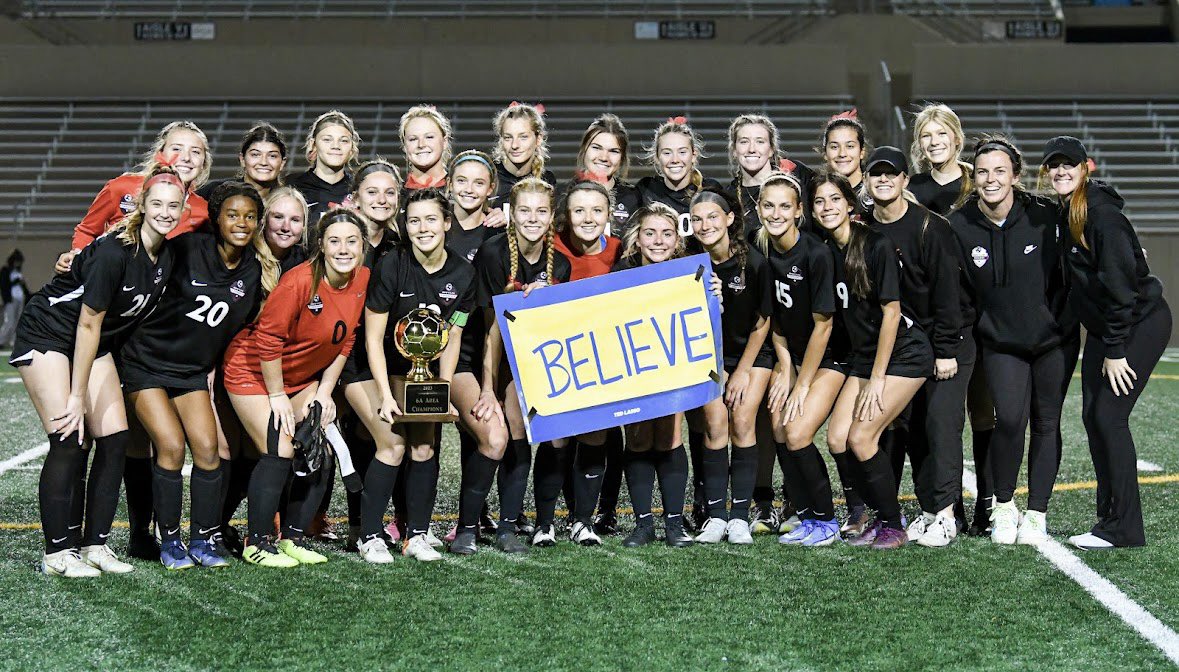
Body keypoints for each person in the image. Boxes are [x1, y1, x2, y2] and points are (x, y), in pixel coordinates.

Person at [12, 167, 181, 577]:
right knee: (69, 437)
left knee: (115, 438)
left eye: (173, 206)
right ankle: (57, 554)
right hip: (51, 332)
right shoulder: (113, 252)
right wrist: (76, 396)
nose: (164, 212)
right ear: (140, 205)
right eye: (156, 203)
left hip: (93, 341)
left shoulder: (166, 254)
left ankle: (95, 546)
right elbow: (87, 322)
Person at [119, 181, 270, 569]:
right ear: (216, 218)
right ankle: (169, 540)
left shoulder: (255, 271)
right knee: (169, 445)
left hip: (190, 372)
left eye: (250, 217)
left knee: (207, 451)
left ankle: (203, 539)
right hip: (146, 361)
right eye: (232, 215)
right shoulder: (186, 249)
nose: (241, 223)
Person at [1036, 137, 1171, 549]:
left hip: (1135, 324)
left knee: (1109, 417)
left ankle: (1125, 528)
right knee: (1095, 417)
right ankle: (1109, 519)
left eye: (1068, 165)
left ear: (1084, 168)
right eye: (1053, 166)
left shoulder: (1101, 215)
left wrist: (1114, 350)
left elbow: (1123, 292)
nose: (1060, 172)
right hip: (1106, 328)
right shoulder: (1067, 211)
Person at [947, 135, 1079, 546]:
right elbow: (957, 290)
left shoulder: (1046, 214)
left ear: (1015, 175)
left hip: (1054, 340)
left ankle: (1037, 511)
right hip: (1001, 344)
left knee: (1046, 423)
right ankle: (1004, 507)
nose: (991, 180)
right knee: (1010, 421)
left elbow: (1090, 225)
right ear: (974, 176)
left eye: (1000, 171)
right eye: (983, 171)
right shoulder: (959, 223)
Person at [221, 208, 369, 568]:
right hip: (253, 371)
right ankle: (256, 543)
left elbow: (344, 339)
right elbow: (268, 341)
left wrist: (323, 391)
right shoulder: (299, 281)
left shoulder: (361, 277)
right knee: (281, 450)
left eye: (352, 241)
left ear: (363, 245)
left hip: (302, 378)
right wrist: (276, 398)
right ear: (321, 245)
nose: (344, 249)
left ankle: (294, 537)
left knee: (320, 444)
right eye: (335, 241)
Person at [348, 188, 476, 563]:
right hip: (369, 369)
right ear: (405, 225)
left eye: (431, 219)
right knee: (393, 444)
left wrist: (446, 390)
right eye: (414, 220)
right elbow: (372, 339)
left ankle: (416, 534)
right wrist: (386, 396)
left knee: (424, 447)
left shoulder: (464, 273)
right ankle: (369, 535)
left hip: (419, 373)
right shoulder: (392, 264)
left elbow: (453, 335)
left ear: (447, 223)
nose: (423, 228)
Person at [812, 173, 932, 550]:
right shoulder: (825, 251)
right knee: (836, 438)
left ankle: (893, 524)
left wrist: (878, 378)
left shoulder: (875, 244)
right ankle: (865, 514)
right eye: (819, 201)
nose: (827, 207)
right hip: (865, 358)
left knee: (862, 437)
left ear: (850, 204)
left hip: (904, 354)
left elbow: (892, 313)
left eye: (835, 199)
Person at [862, 147, 968, 547]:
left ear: (906, 180)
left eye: (892, 175)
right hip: (901, 345)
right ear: (868, 182)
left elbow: (948, 294)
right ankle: (925, 510)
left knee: (940, 423)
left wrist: (945, 350)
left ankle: (945, 514)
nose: (884, 181)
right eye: (876, 175)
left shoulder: (929, 227)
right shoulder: (865, 230)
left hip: (944, 339)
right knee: (908, 428)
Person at [467, 177, 571, 554]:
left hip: (540, 360)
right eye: (524, 211)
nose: (533, 218)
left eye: (541, 211)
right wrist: (487, 389)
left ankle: (540, 520)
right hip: (500, 359)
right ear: (512, 215)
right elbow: (489, 332)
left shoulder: (559, 262)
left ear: (551, 216)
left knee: (555, 432)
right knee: (514, 424)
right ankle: (506, 524)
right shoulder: (493, 254)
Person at [908, 102, 995, 534]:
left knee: (983, 413)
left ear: (957, 137)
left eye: (941, 134)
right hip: (933, 316)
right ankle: (946, 505)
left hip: (979, 314)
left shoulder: (977, 182)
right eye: (926, 135)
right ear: (919, 144)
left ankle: (988, 503)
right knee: (935, 417)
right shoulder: (913, 188)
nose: (934, 141)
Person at [751, 172, 845, 547]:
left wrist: (802, 383)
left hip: (830, 358)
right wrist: (785, 365)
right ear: (758, 209)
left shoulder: (816, 254)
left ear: (799, 211)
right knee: (777, 428)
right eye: (768, 205)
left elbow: (824, 327)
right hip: (792, 356)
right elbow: (775, 319)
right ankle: (804, 514)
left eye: (784, 206)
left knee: (797, 430)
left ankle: (827, 519)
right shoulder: (762, 250)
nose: (776, 213)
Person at [687, 189, 772, 546]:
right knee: (715, 423)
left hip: (752, 355)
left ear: (730, 219)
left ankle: (739, 516)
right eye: (697, 219)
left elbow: (763, 322)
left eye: (712, 217)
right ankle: (715, 516)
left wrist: (740, 372)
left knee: (741, 419)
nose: (705, 225)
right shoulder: (688, 261)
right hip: (711, 358)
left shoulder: (753, 262)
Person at [612, 204, 695, 548]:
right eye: (650, 233)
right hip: (634, 366)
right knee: (639, 437)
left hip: (674, 363)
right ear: (637, 239)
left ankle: (674, 522)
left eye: (666, 233)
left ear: (677, 240)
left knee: (670, 436)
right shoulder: (621, 273)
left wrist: (715, 296)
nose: (658, 241)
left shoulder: (690, 273)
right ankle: (644, 523)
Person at [552, 180, 624, 546]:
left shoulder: (621, 250)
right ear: (567, 215)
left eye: (597, 210)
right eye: (579, 210)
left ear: (609, 215)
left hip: (606, 362)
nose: (588, 218)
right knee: (560, 438)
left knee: (596, 434)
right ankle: (547, 520)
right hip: (560, 363)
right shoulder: (550, 249)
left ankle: (583, 520)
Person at [59, 121, 211, 274]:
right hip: (109, 279)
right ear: (161, 153)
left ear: (204, 162)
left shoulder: (203, 211)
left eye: (196, 152)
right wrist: (76, 256)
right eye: (177, 149)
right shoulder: (120, 187)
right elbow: (87, 230)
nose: (186, 158)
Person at [726, 113, 814, 238]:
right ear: (734, 150)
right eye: (744, 141)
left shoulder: (797, 175)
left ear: (771, 149)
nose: (752, 149)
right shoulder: (728, 197)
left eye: (760, 141)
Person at [564, 113, 642, 238]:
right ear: (584, 149)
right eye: (596, 148)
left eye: (613, 151)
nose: (604, 157)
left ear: (622, 157)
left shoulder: (635, 199)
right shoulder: (562, 196)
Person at [288, 109, 360, 228]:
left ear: (352, 148)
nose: (336, 146)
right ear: (313, 144)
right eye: (327, 140)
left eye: (343, 141)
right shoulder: (292, 186)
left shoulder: (359, 190)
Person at [490, 102, 557, 208]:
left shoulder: (547, 180)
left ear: (538, 139)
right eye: (508, 137)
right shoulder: (488, 176)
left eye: (523, 137)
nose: (514, 145)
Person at [197, 123, 287, 201]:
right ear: (242, 159)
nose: (263, 162)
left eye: (272, 156)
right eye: (255, 155)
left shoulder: (289, 201)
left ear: (282, 163)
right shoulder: (215, 192)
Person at [399, 105, 452, 192]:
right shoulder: (394, 194)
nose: (421, 145)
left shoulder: (459, 192)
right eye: (413, 139)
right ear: (404, 146)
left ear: (444, 142)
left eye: (429, 137)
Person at [0, 249, 29, 348]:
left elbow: (25, 288)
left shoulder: (19, 273)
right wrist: (15, 282)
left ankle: (14, 342)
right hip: (10, 300)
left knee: (18, 321)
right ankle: (1, 340)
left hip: (20, 299)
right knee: (9, 321)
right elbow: (4, 285)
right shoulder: (6, 270)